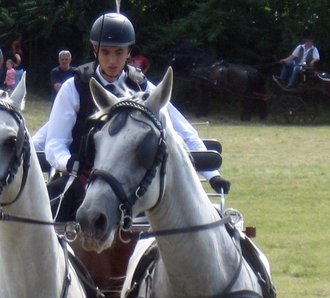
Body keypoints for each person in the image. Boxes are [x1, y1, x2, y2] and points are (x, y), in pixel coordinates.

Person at [43, 12, 228, 220]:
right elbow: (54, 143)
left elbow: (184, 134)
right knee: (43, 214)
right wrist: (68, 162)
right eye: (105, 52)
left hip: (133, 191)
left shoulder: (145, 88)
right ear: (95, 50)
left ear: (129, 52)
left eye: (119, 52)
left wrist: (213, 176)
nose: (112, 60)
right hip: (83, 183)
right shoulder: (73, 88)